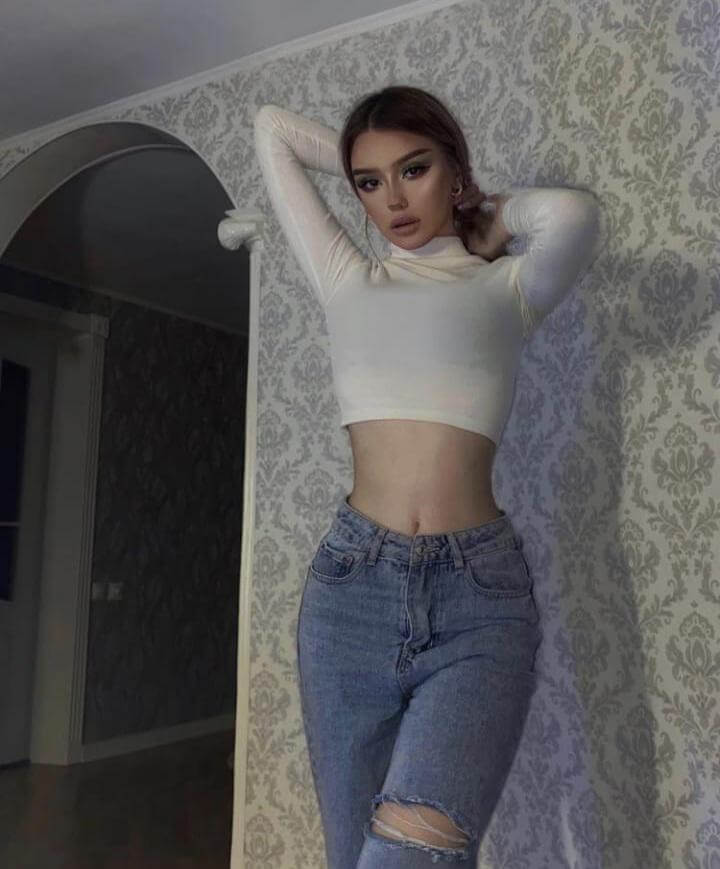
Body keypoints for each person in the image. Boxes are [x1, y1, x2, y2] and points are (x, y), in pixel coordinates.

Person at [254, 85, 603, 868]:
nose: (392, 199)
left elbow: (573, 215)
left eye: (414, 169)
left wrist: (488, 212)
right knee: (354, 854)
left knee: (406, 857)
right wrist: (373, 159)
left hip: (478, 602)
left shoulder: (505, 288)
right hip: (350, 596)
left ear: (455, 170)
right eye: (368, 182)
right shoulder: (347, 277)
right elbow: (271, 129)